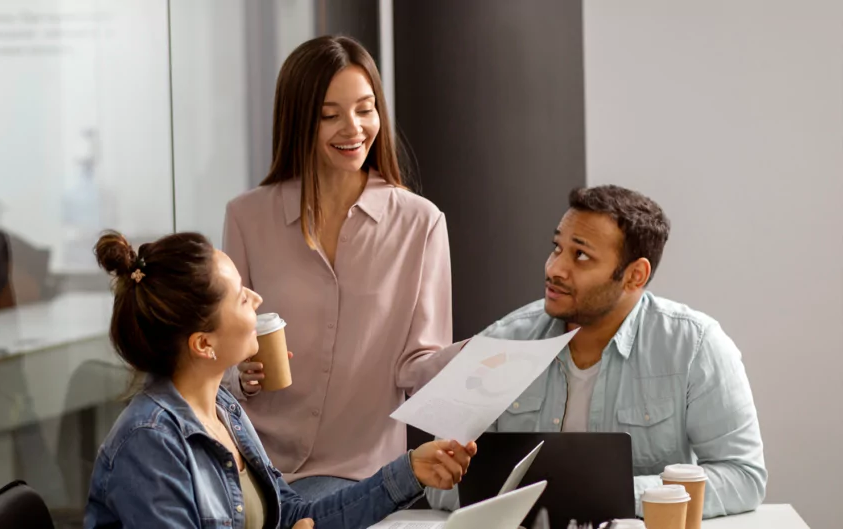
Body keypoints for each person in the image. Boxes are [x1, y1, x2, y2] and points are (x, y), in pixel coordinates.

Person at [84, 231, 477, 529]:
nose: (255, 298)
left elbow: (293, 515)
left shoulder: (224, 411)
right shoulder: (149, 444)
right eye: (239, 296)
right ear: (204, 344)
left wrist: (410, 471)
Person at [428, 185, 766, 518]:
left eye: (581, 255)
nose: (554, 268)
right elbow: (435, 477)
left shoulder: (695, 346)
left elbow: (742, 476)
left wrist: (611, 494)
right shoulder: (503, 341)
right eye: (556, 247)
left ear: (635, 276)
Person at [222, 34, 458, 500]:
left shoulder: (420, 223)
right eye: (329, 115)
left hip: (359, 473)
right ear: (297, 120)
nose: (353, 129)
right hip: (255, 465)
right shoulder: (247, 217)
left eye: (365, 109)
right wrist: (241, 374)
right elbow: (223, 355)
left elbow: (418, 364)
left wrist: (488, 357)